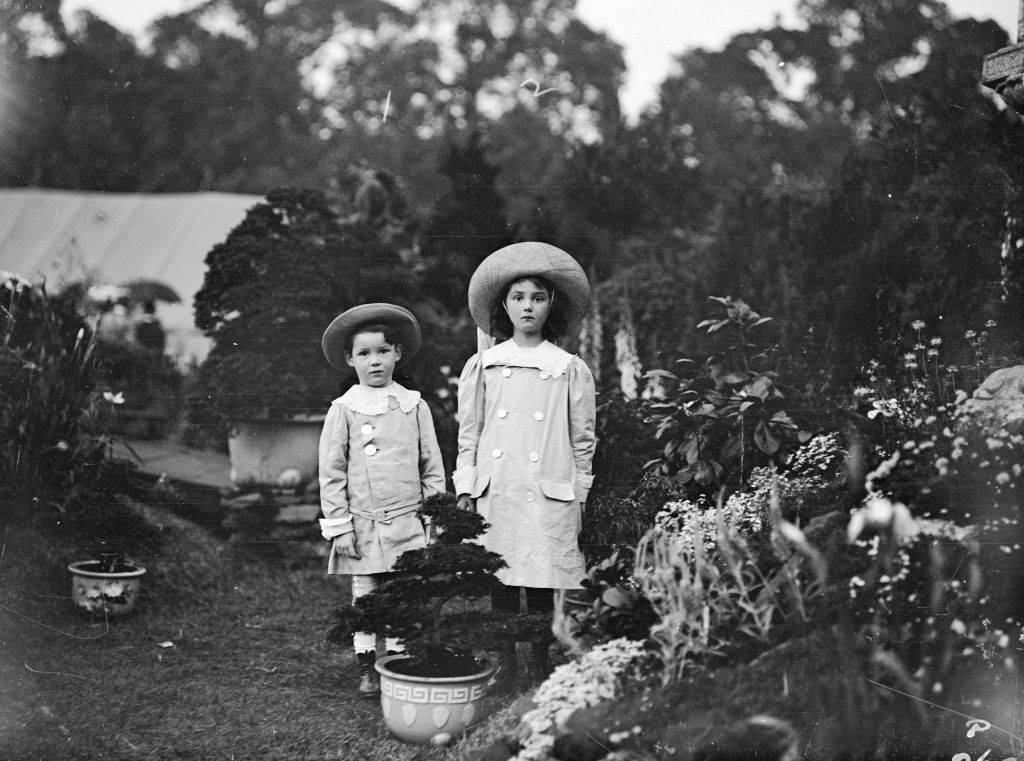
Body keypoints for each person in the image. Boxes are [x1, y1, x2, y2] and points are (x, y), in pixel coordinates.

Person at [453, 241, 597, 690]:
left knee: (537, 574)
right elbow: (470, 433)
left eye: (537, 297)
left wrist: (580, 493)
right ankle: (504, 664)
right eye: (518, 298)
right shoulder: (484, 365)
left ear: (550, 303)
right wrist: (466, 486)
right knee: (499, 570)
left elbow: (583, 438)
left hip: (547, 485)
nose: (527, 307)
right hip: (500, 486)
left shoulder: (568, 368)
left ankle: (535, 662)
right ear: (504, 305)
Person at [318, 303, 445, 697]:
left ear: (397, 354)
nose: (375, 362)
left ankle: (397, 664)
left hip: (407, 521)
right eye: (364, 354)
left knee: (403, 595)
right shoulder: (345, 410)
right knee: (367, 596)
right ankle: (367, 669)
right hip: (363, 523)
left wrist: (435, 516)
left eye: (383, 351)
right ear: (349, 359)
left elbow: (431, 466)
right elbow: (332, 471)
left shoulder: (413, 405)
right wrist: (340, 525)